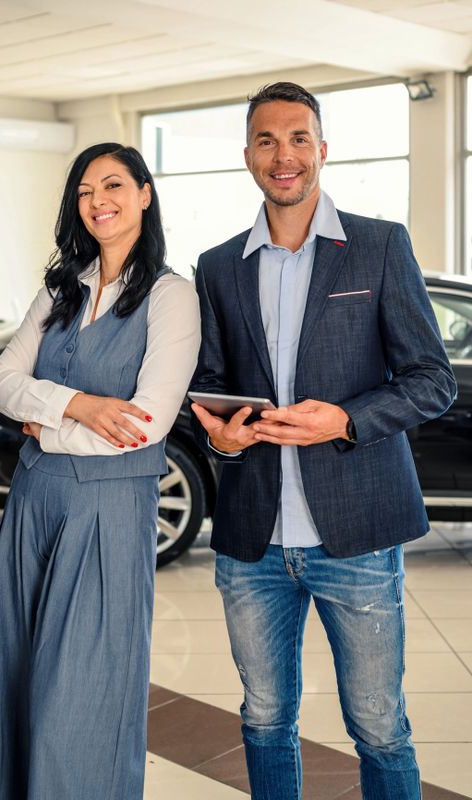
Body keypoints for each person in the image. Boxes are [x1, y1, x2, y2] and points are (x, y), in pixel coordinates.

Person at [189, 81, 456, 799]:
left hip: (359, 536)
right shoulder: (217, 266)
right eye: (267, 140)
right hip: (252, 541)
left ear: (323, 149)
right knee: (264, 719)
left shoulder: (379, 245)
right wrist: (225, 440)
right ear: (248, 155)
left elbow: (433, 380)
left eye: (298, 138)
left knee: (379, 726)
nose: (284, 156)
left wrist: (342, 420)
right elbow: (211, 384)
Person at [0, 142, 200, 799]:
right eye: (84, 191)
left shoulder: (171, 297)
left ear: (144, 194)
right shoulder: (60, 289)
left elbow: (145, 424)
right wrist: (79, 406)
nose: (98, 201)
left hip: (108, 510)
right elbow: (1, 384)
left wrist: (46, 425)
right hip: (33, 503)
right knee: (17, 679)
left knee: (81, 689)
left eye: (113, 185)